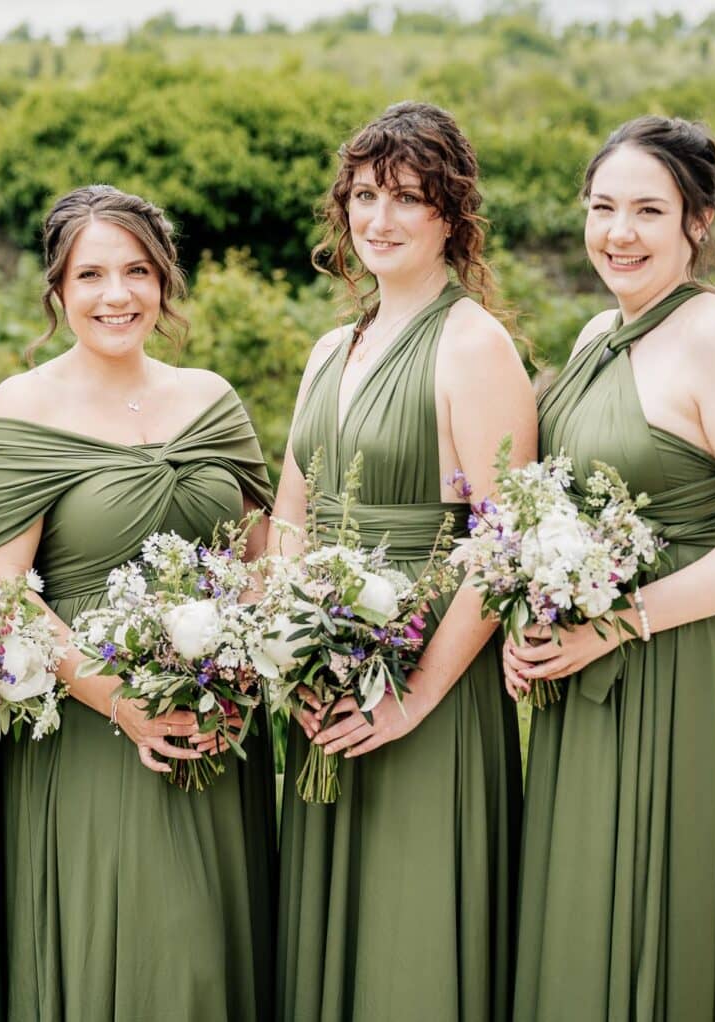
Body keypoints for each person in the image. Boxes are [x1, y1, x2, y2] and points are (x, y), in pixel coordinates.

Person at [508, 115, 715, 1021]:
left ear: (697, 223)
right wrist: (529, 616)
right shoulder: (593, 336)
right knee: (581, 906)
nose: (619, 232)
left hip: (682, 665)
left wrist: (619, 621)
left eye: (649, 209)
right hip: (583, 671)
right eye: (602, 206)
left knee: (663, 907)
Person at [0, 185, 277, 1021]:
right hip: (93, 730)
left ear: (164, 280)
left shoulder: (212, 397)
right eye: (91, 274)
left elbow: (264, 557)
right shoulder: (23, 407)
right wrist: (125, 701)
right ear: (58, 291)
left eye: (137, 270)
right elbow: (4, 594)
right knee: (139, 953)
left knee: (215, 949)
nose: (116, 295)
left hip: (222, 724)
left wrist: (241, 664)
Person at [274, 101, 537, 1021]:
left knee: (414, 942)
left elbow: (503, 542)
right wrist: (296, 652)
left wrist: (414, 693)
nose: (377, 219)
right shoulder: (327, 349)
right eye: (362, 195)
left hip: (430, 689)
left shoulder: (472, 344)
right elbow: (293, 519)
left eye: (406, 199)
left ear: (451, 217)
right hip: (328, 682)